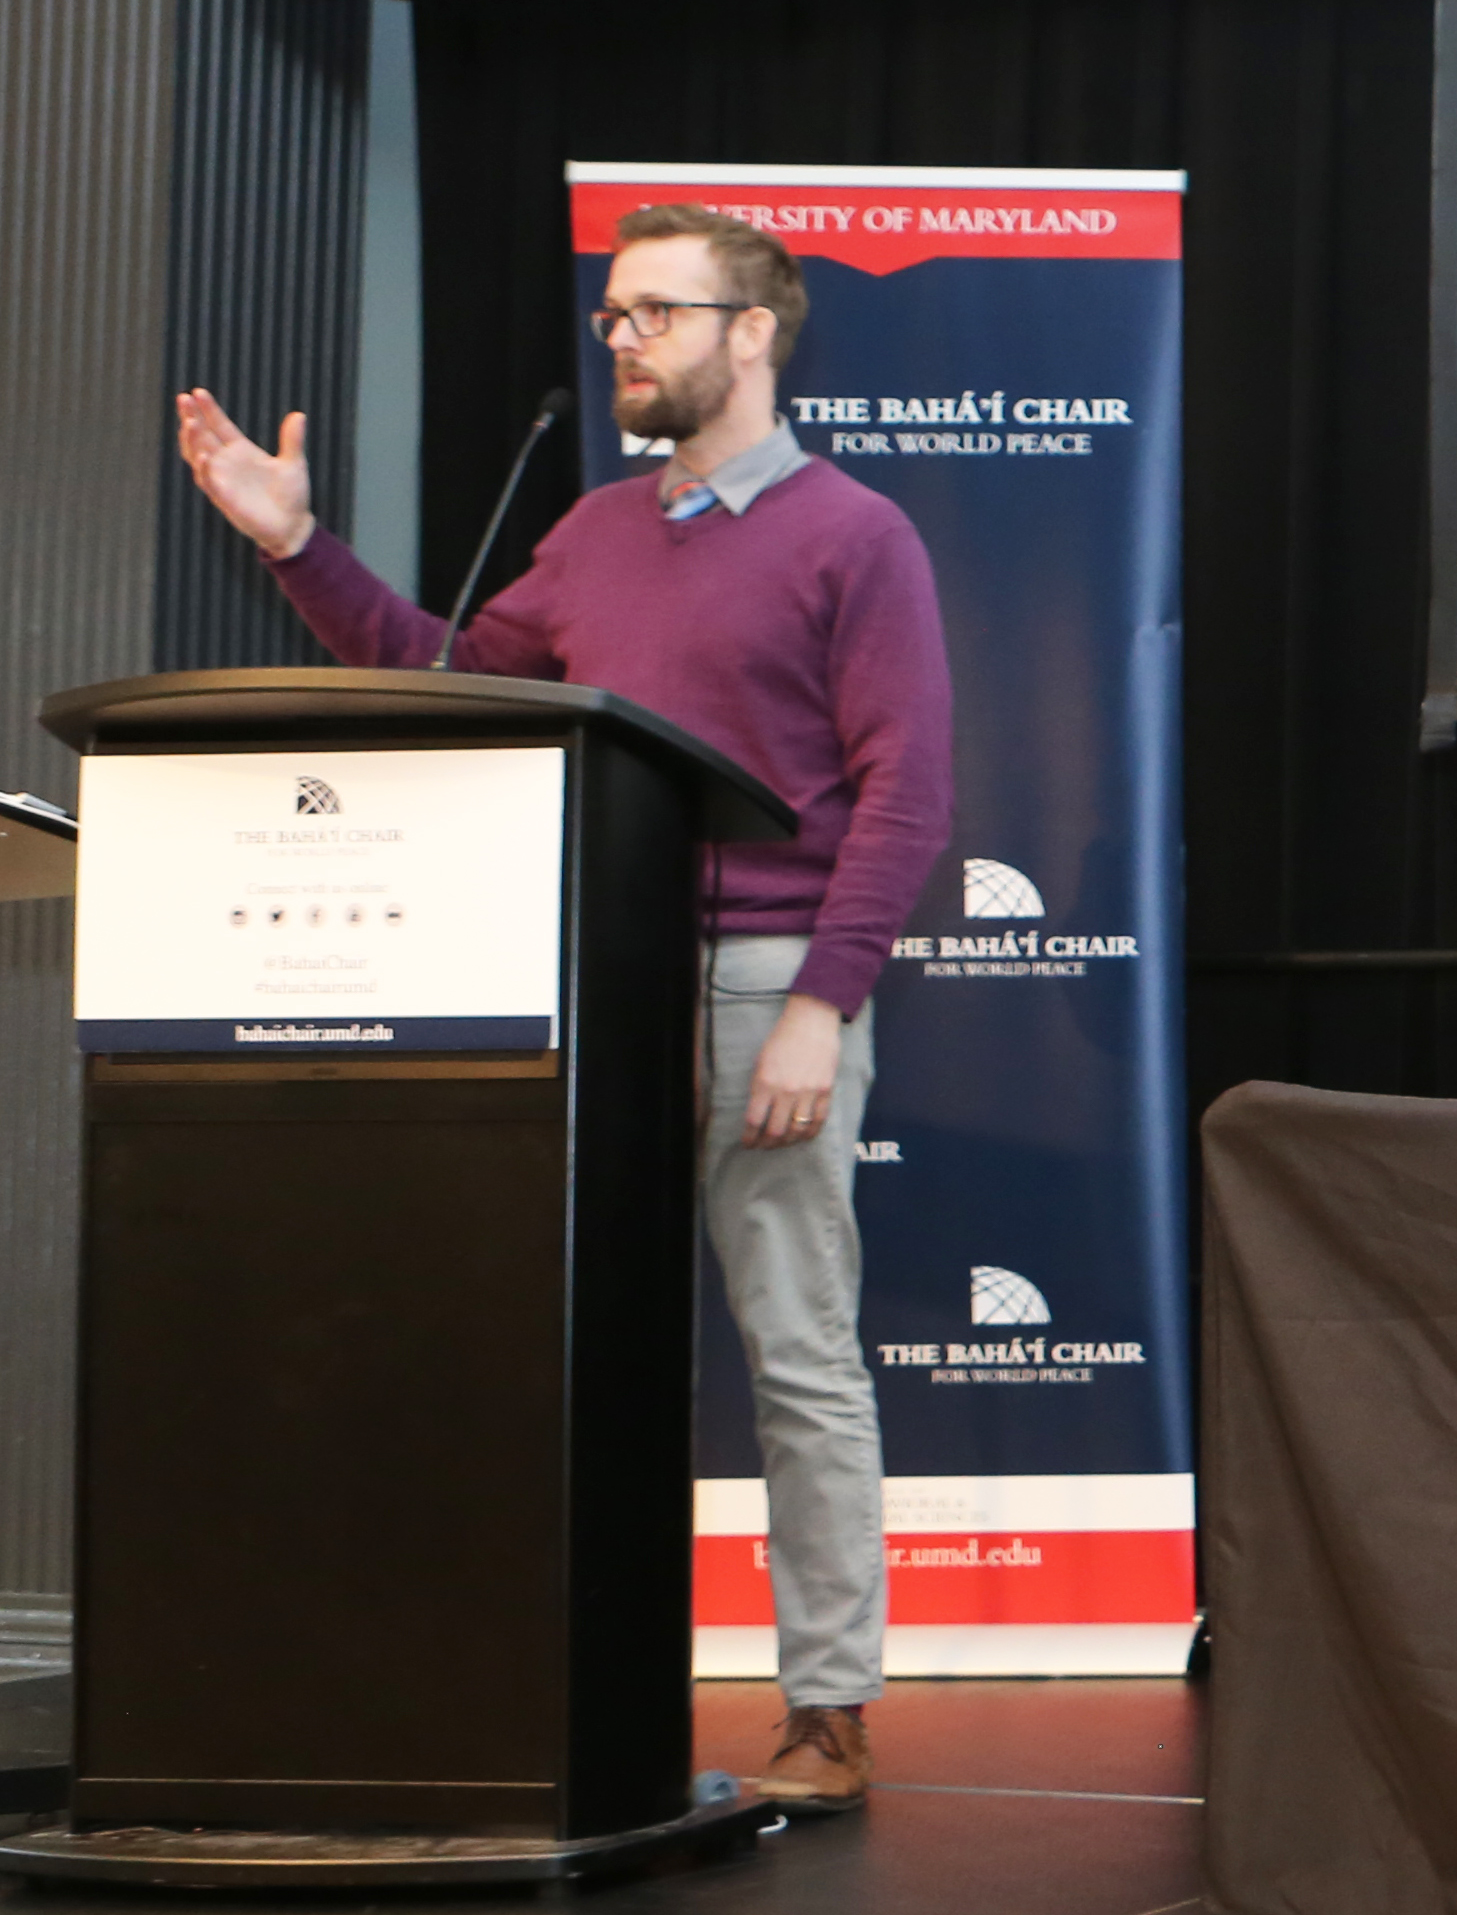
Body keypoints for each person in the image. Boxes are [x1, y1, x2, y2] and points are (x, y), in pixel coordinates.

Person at [169, 203, 950, 1812]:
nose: (624, 344)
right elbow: (445, 672)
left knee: (797, 1354)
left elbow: (907, 789)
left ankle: (828, 1705)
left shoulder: (854, 532)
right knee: (566, 1348)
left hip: (758, 983)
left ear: (755, 331)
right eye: (613, 319)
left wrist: (819, 1005)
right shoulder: (594, 530)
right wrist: (292, 542)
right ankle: (534, 1680)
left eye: (658, 313)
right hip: (588, 978)